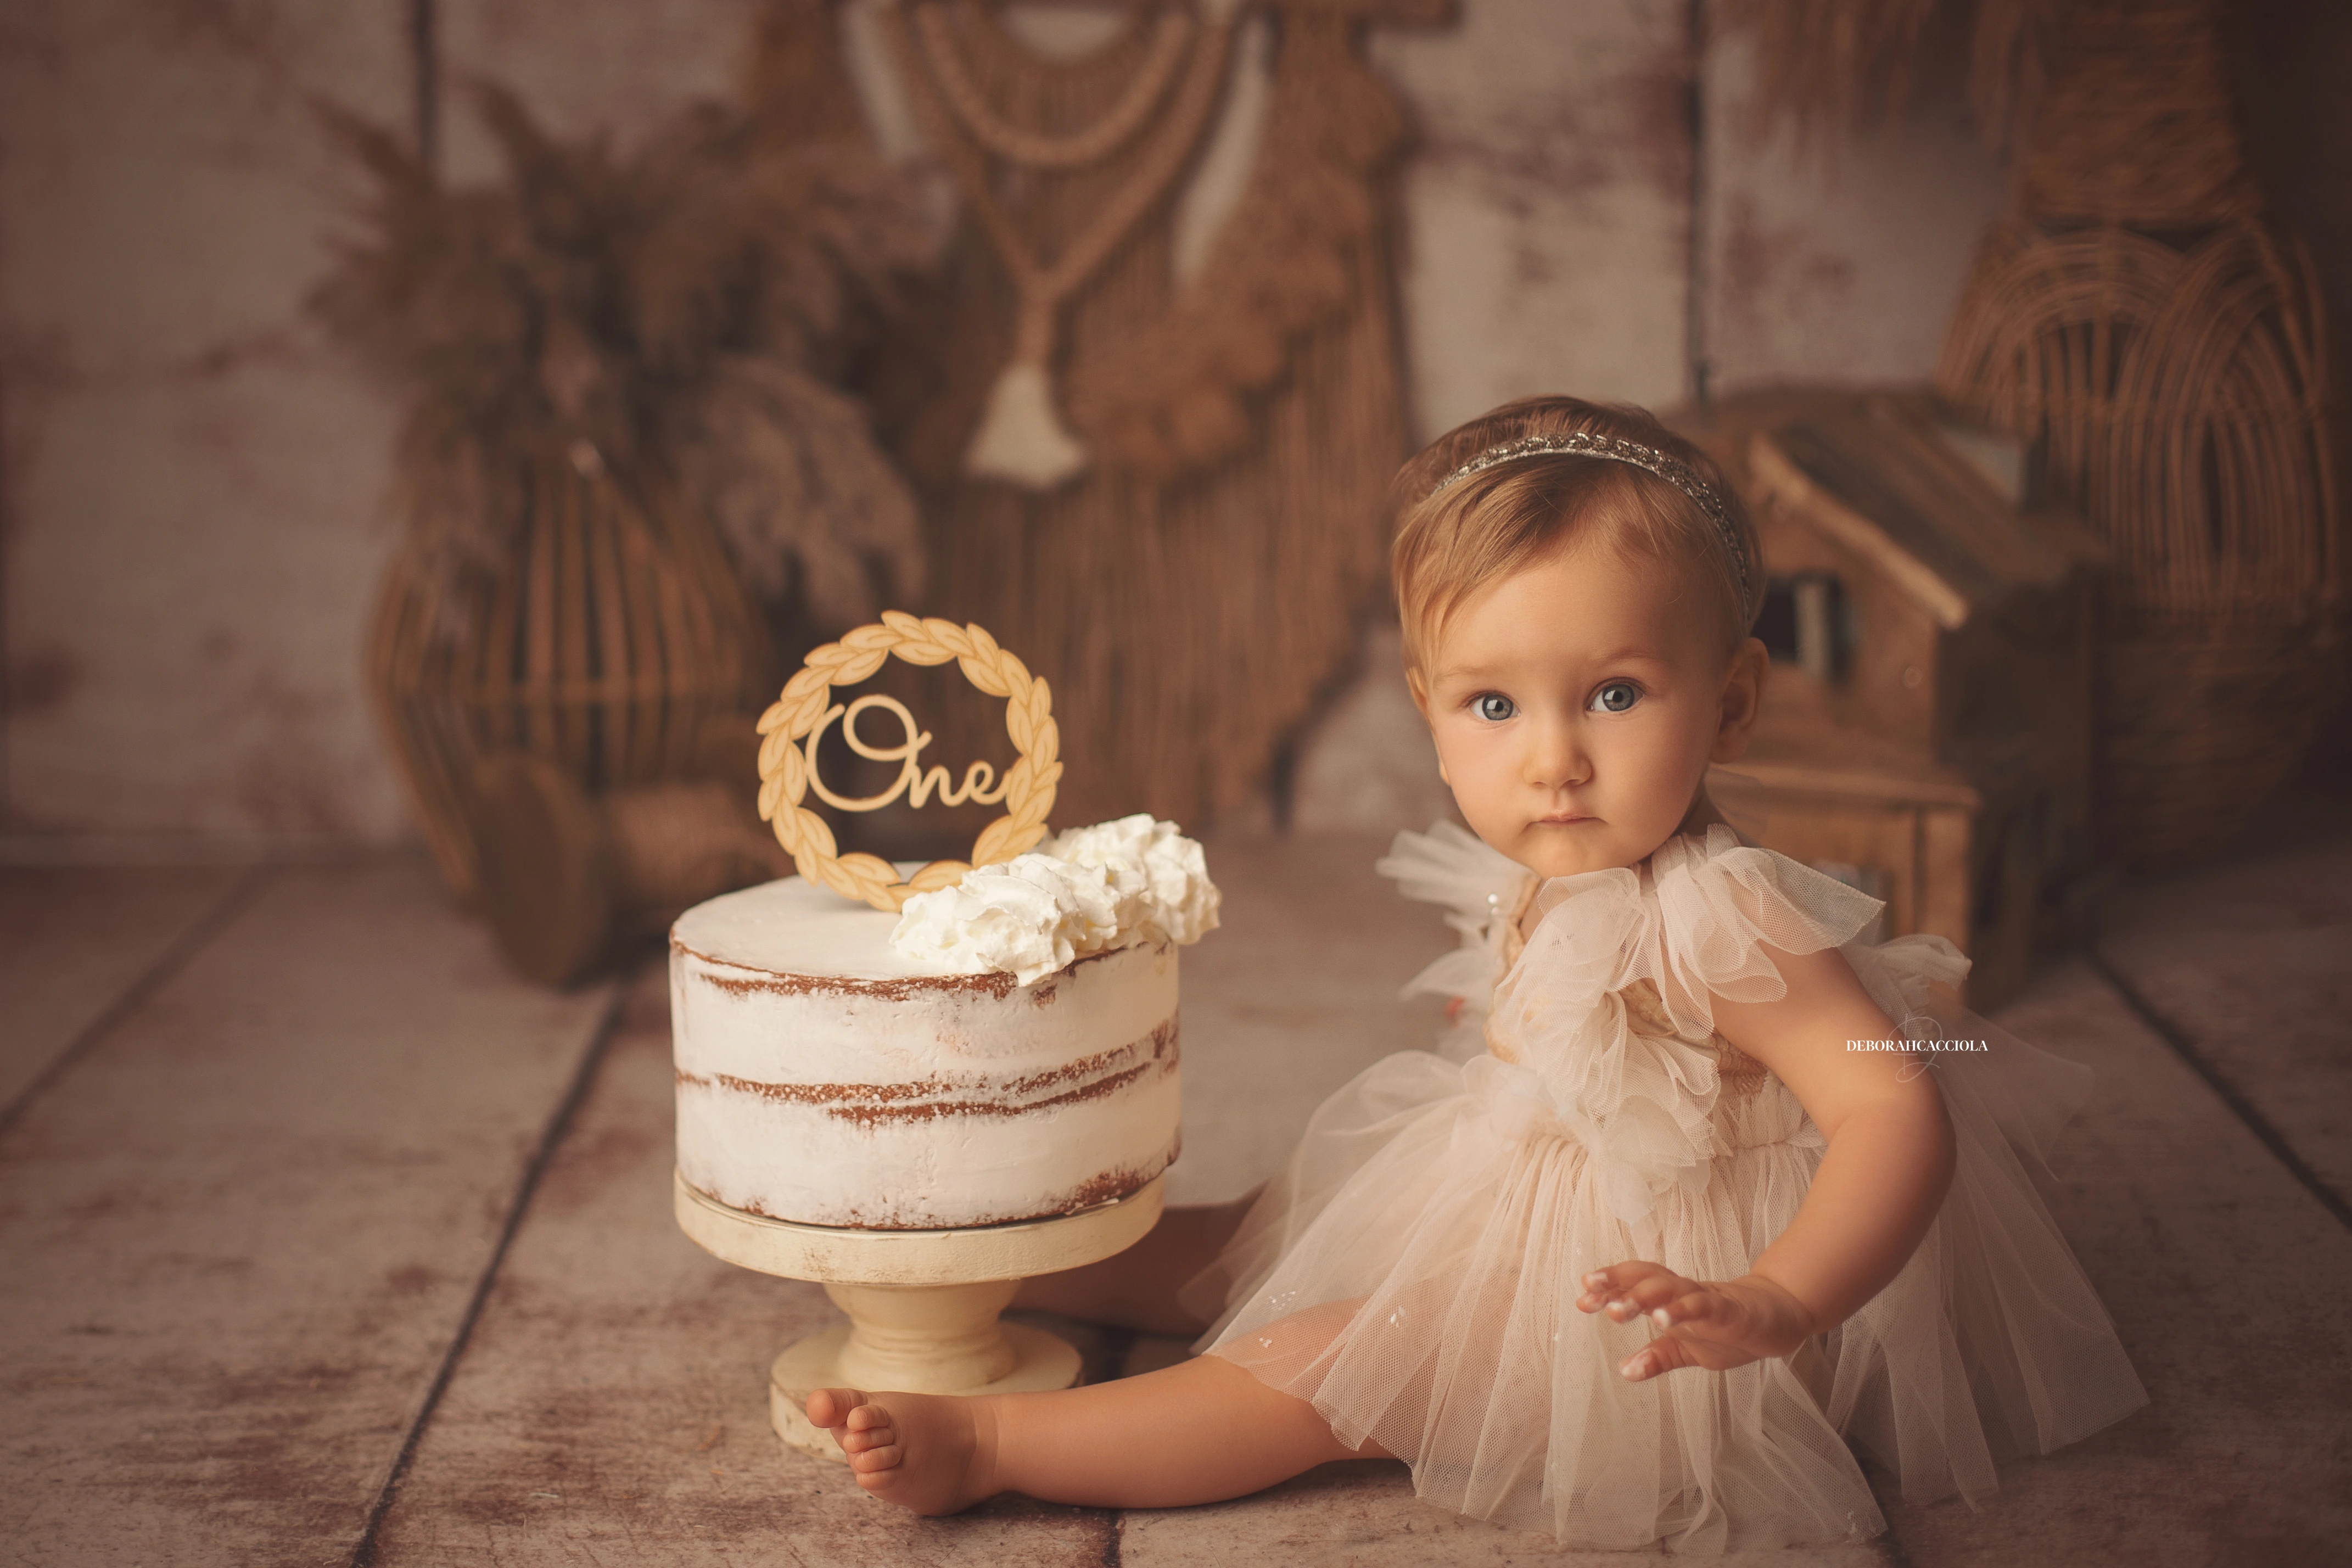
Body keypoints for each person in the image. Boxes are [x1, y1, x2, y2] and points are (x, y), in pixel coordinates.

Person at [804, 396, 2148, 1549]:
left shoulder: (1720, 918)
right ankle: (988, 1268)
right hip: (1518, 1179)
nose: (1553, 757)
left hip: (1653, 1288)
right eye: (1494, 706)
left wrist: (1782, 1295)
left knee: (1320, 1366)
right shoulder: (1552, 858)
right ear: (1432, 712)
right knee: (1250, 1242)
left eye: (1615, 693)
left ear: (1731, 700)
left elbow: (1890, 1107)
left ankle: (993, 1448)